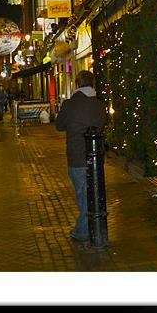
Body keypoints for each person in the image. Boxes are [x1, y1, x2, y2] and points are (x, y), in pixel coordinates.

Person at [55, 70, 107, 242]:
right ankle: (94, 228)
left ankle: (84, 231)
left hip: (77, 156)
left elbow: (59, 125)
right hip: (96, 158)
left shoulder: (70, 104)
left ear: (77, 84)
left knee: (83, 195)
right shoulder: (99, 104)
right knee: (93, 193)